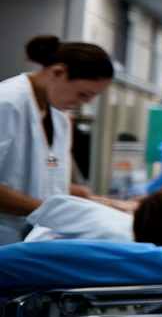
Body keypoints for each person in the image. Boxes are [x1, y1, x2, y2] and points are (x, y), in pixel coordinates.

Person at [0, 35, 113, 244]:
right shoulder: (6, 103)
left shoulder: (58, 116)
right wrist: (56, 211)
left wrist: (73, 193)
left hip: (28, 235)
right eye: (82, 94)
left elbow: (36, 175)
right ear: (58, 72)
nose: (84, 102)